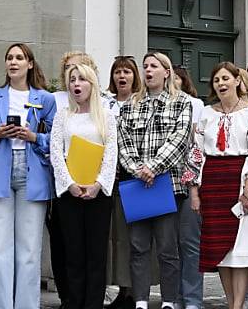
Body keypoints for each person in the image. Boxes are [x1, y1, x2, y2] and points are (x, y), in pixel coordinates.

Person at [0, 43, 57, 309]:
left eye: (19, 58)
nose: (13, 62)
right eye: (9, 58)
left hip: (32, 171)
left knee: (29, 250)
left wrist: (34, 137)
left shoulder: (45, 99)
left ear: (29, 64)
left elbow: (57, 139)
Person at [184, 62, 248, 309]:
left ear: (237, 81)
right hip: (213, 183)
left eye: (225, 78)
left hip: (240, 180)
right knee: (220, 250)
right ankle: (231, 302)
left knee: (240, 250)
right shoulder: (206, 113)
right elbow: (196, 153)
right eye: (216, 80)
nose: (221, 84)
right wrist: (194, 192)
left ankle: (237, 305)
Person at [117, 52, 192, 309]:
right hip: (137, 185)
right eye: (145, 66)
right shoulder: (130, 105)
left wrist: (154, 167)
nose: (148, 70)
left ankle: (169, 301)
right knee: (138, 246)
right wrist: (138, 169)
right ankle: (140, 300)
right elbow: (123, 142)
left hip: (167, 185)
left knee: (167, 248)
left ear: (166, 72)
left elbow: (179, 139)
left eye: (154, 66)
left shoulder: (181, 102)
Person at [50, 64, 118, 309]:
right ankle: (74, 302)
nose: (76, 84)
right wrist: (69, 184)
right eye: (72, 80)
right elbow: (56, 152)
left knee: (96, 255)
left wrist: (98, 184)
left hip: (98, 194)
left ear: (92, 84)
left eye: (82, 79)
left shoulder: (106, 116)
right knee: (73, 253)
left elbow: (111, 152)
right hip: (70, 193)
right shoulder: (63, 115)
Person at [105, 56, 142, 309]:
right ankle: (121, 288)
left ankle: (135, 291)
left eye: (127, 71)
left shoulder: (142, 103)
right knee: (116, 237)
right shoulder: (105, 103)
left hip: (136, 177)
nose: (122, 76)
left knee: (136, 238)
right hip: (110, 178)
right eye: (118, 72)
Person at [172, 66, 204, 309]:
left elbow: (197, 145)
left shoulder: (195, 105)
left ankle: (192, 299)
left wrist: (194, 187)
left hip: (189, 181)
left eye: (176, 78)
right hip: (163, 182)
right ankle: (173, 297)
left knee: (190, 243)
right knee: (169, 246)